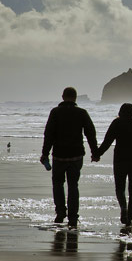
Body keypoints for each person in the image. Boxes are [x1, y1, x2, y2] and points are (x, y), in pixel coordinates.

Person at [40, 87, 100, 226]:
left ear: (63, 97)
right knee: (73, 185)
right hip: (76, 155)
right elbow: (90, 133)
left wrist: (45, 153)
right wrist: (95, 152)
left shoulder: (55, 112)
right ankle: (73, 216)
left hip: (59, 155)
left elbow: (48, 134)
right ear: (75, 97)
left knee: (57, 184)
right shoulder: (81, 113)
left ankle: (60, 213)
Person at [96, 103, 132, 226]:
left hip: (120, 158)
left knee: (120, 188)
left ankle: (123, 208)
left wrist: (98, 154)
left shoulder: (117, 123)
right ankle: (129, 217)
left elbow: (107, 141)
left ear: (120, 111)